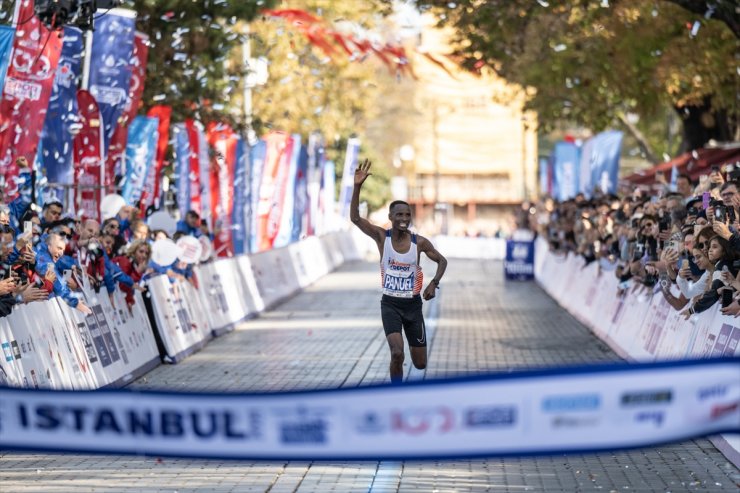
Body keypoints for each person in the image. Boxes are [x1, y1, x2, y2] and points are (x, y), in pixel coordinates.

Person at [350, 159, 447, 384]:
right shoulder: (381, 237)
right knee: (396, 353)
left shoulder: (420, 243)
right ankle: (396, 393)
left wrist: (434, 283)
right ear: (390, 218)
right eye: (399, 215)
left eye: (407, 215)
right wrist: (357, 187)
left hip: (413, 307)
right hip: (390, 305)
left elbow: (442, 261)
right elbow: (355, 218)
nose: (404, 219)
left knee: (420, 363)